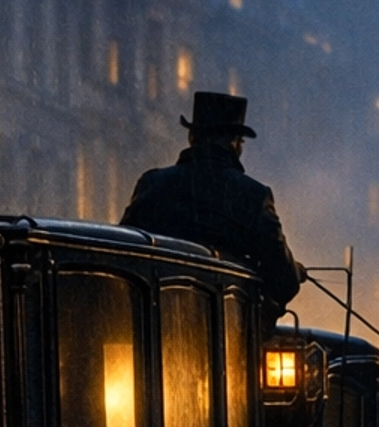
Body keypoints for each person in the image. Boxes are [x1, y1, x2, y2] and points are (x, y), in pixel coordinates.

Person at [121, 90, 305, 324]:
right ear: (234, 144)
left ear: (192, 137)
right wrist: (294, 272)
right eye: (241, 142)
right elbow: (284, 280)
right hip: (225, 328)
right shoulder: (253, 196)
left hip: (157, 321)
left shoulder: (152, 184)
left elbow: (128, 253)